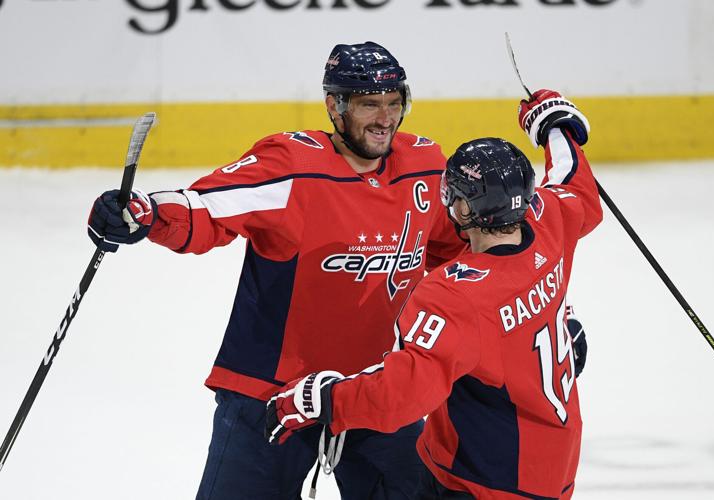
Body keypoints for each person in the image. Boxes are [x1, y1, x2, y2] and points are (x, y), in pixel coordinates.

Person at [87, 42, 469, 499]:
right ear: (335, 106)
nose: (385, 118)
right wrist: (145, 214)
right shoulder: (292, 166)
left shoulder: (425, 167)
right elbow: (207, 208)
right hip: (270, 388)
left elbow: (468, 254)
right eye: (369, 104)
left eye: (394, 103)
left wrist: (546, 317)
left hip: (378, 388)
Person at [265, 89, 603, 499]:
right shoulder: (549, 224)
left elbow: (402, 395)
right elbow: (576, 187)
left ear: (463, 210)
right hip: (553, 472)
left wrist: (325, 398)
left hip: (480, 481)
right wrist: (557, 126)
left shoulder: (456, 293)